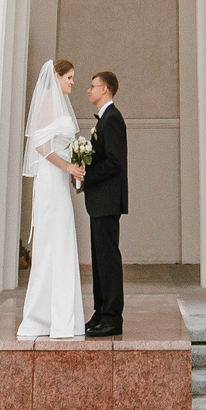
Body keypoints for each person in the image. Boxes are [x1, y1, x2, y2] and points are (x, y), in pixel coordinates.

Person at [15, 59, 85, 340]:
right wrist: (67, 166)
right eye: (68, 77)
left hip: (59, 182)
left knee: (62, 241)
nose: (72, 82)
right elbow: (40, 144)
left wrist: (74, 167)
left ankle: (61, 318)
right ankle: (43, 318)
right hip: (49, 181)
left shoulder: (59, 106)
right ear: (56, 77)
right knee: (52, 243)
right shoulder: (46, 102)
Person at [82, 70, 127, 337]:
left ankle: (112, 317)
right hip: (100, 202)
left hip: (107, 200)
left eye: (93, 86)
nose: (89, 90)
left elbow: (114, 162)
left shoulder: (112, 119)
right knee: (100, 260)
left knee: (108, 260)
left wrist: (87, 176)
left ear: (105, 89)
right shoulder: (103, 119)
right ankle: (100, 312)